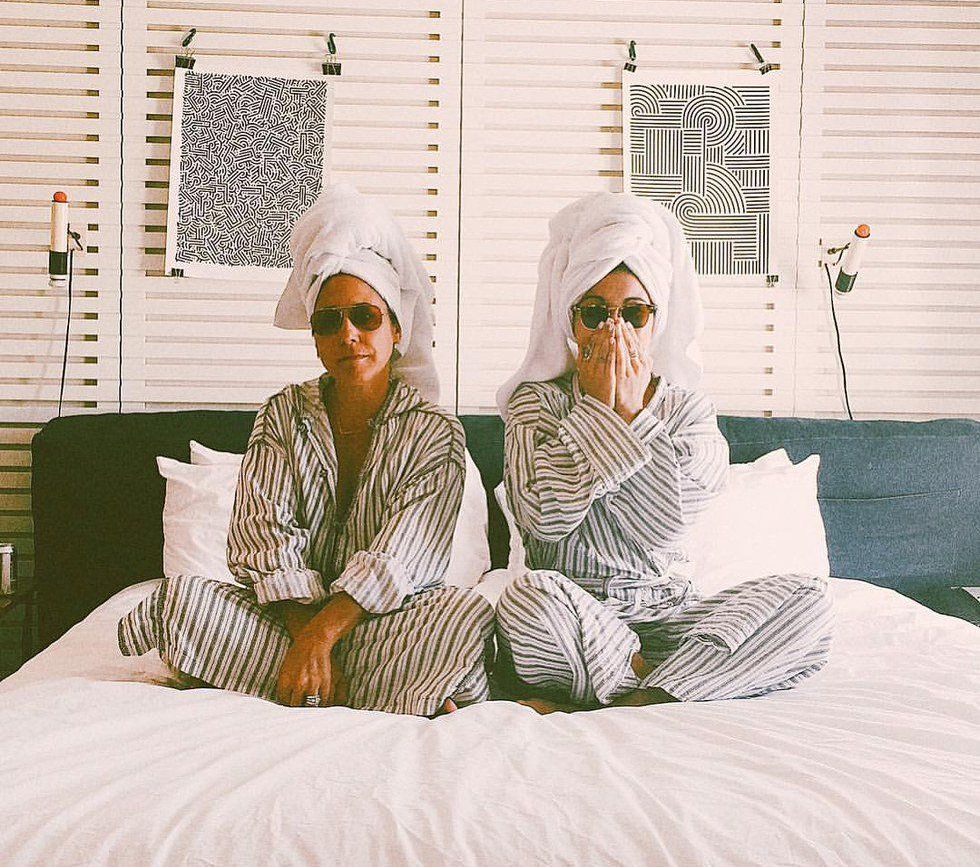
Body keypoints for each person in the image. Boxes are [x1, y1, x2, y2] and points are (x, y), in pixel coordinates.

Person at [119, 183, 494, 716]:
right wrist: (307, 640)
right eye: (328, 321)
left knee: (463, 617)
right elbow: (265, 541)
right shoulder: (281, 415)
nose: (348, 334)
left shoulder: (436, 433)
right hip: (286, 622)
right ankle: (388, 691)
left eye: (365, 316)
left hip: (384, 623)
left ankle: (293, 680)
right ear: (315, 337)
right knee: (180, 600)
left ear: (395, 327)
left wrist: (323, 639)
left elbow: (403, 559)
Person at [495, 191, 833, 714]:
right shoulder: (536, 403)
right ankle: (673, 687)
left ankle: (628, 694)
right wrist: (598, 411)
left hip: (671, 615)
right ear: (570, 321)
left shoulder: (688, 409)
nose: (615, 330)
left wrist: (632, 413)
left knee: (810, 600)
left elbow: (666, 528)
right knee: (526, 597)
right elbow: (542, 519)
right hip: (576, 615)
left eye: (633, 313)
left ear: (656, 320)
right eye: (595, 312)